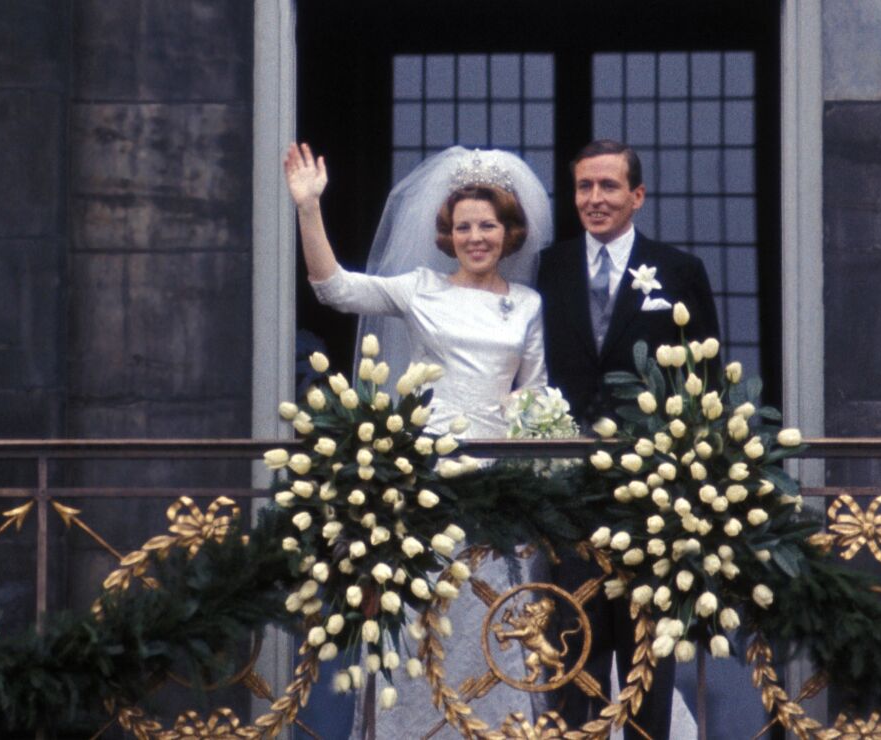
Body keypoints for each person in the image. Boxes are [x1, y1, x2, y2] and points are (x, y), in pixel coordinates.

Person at [284, 142, 554, 735]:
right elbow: (335, 288)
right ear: (446, 233)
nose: (476, 237)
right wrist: (308, 208)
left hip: (500, 495)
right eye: (463, 227)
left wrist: (538, 452)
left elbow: (531, 395)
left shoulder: (528, 304)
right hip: (426, 491)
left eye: (487, 225)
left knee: (497, 631)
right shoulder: (421, 288)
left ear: (509, 232)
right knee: (420, 631)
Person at [537, 139, 719, 739]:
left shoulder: (679, 270)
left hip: (650, 492)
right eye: (584, 187)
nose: (595, 199)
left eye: (608, 186)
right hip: (567, 493)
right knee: (571, 639)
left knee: (647, 648)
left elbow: (706, 380)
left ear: (636, 196)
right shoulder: (548, 266)